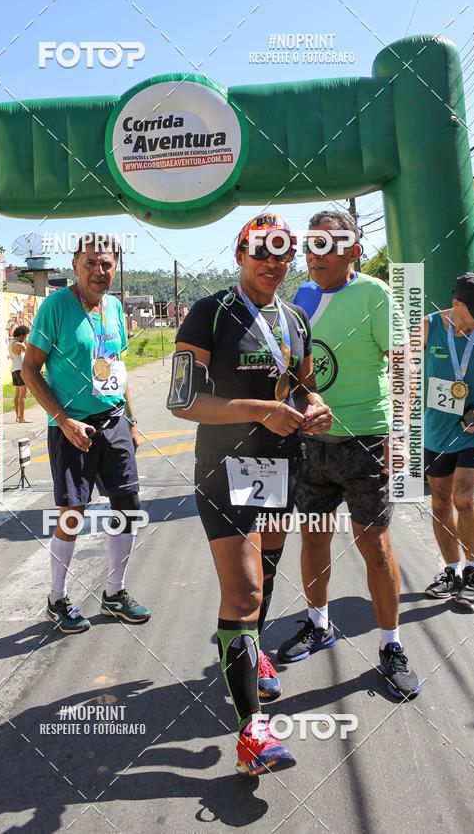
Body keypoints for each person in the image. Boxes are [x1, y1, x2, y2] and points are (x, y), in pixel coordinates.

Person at [169, 213, 333, 775]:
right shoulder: (208, 312)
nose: (272, 262)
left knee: (265, 570)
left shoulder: (294, 319)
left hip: (280, 463)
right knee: (243, 593)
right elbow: (182, 402)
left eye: (282, 253)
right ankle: (252, 734)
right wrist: (260, 410)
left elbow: (306, 388)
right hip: (223, 463)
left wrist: (315, 410)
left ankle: (253, 651)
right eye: (260, 250)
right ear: (240, 254)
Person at [279, 209, 422, 700]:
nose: (314, 255)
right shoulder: (300, 296)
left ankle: (390, 646)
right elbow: (299, 371)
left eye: (327, 245)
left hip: (366, 442)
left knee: (374, 547)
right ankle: (319, 625)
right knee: (314, 539)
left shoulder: (374, 294)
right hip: (313, 444)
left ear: (353, 252)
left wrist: (401, 436)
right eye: (310, 245)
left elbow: (404, 363)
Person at [22, 233, 149, 634]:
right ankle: (56, 600)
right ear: (75, 265)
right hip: (71, 425)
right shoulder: (55, 307)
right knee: (73, 514)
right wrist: (63, 420)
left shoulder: (112, 307)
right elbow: (29, 371)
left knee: (128, 504)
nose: (99, 270)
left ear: (115, 268)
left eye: (106, 264)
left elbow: (117, 365)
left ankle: (114, 593)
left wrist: (131, 420)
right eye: (90, 263)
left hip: (113, 421)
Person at [423, 271, 474, 607]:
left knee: (463, 498)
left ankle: (473, 570)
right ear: (455, 304)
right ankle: (451, 570)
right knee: (440, 502)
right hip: (437, 430)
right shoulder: (427, 328)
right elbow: (401, 374)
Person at [10, 325, 30, 422]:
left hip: (15, 370)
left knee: (17, 395)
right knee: (23, 395)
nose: (26, 338)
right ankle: (22, 418)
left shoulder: (12, 343)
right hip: (20, 371)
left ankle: (18, 416)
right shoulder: (19, 345)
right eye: (26, 336)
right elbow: (29, 351)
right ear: (22, 335)